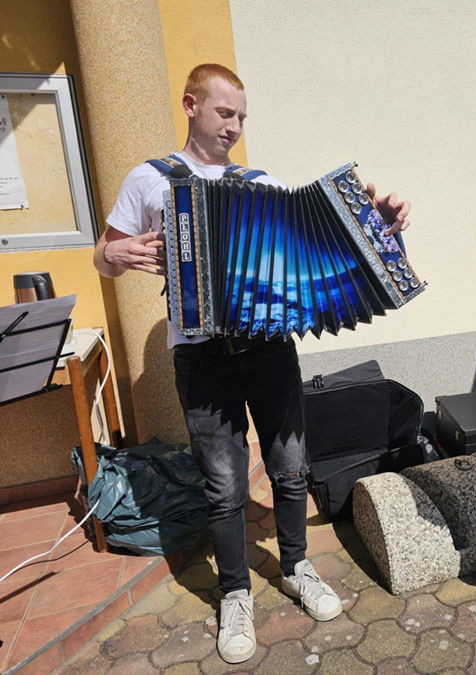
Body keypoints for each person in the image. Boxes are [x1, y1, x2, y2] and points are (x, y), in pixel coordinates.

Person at [94, 64, 410, 664]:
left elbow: (319, 250)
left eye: (241, 116)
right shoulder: (149, 179)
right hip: (201, 358)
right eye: (224, 112)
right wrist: (115, 252)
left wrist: (377, 226)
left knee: (290, 469)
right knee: (223, 486)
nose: (234, 126)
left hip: (269, 351)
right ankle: (235, 592)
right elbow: (103, 258)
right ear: (191, 105)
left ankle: (295, 566)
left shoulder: (263, 185)